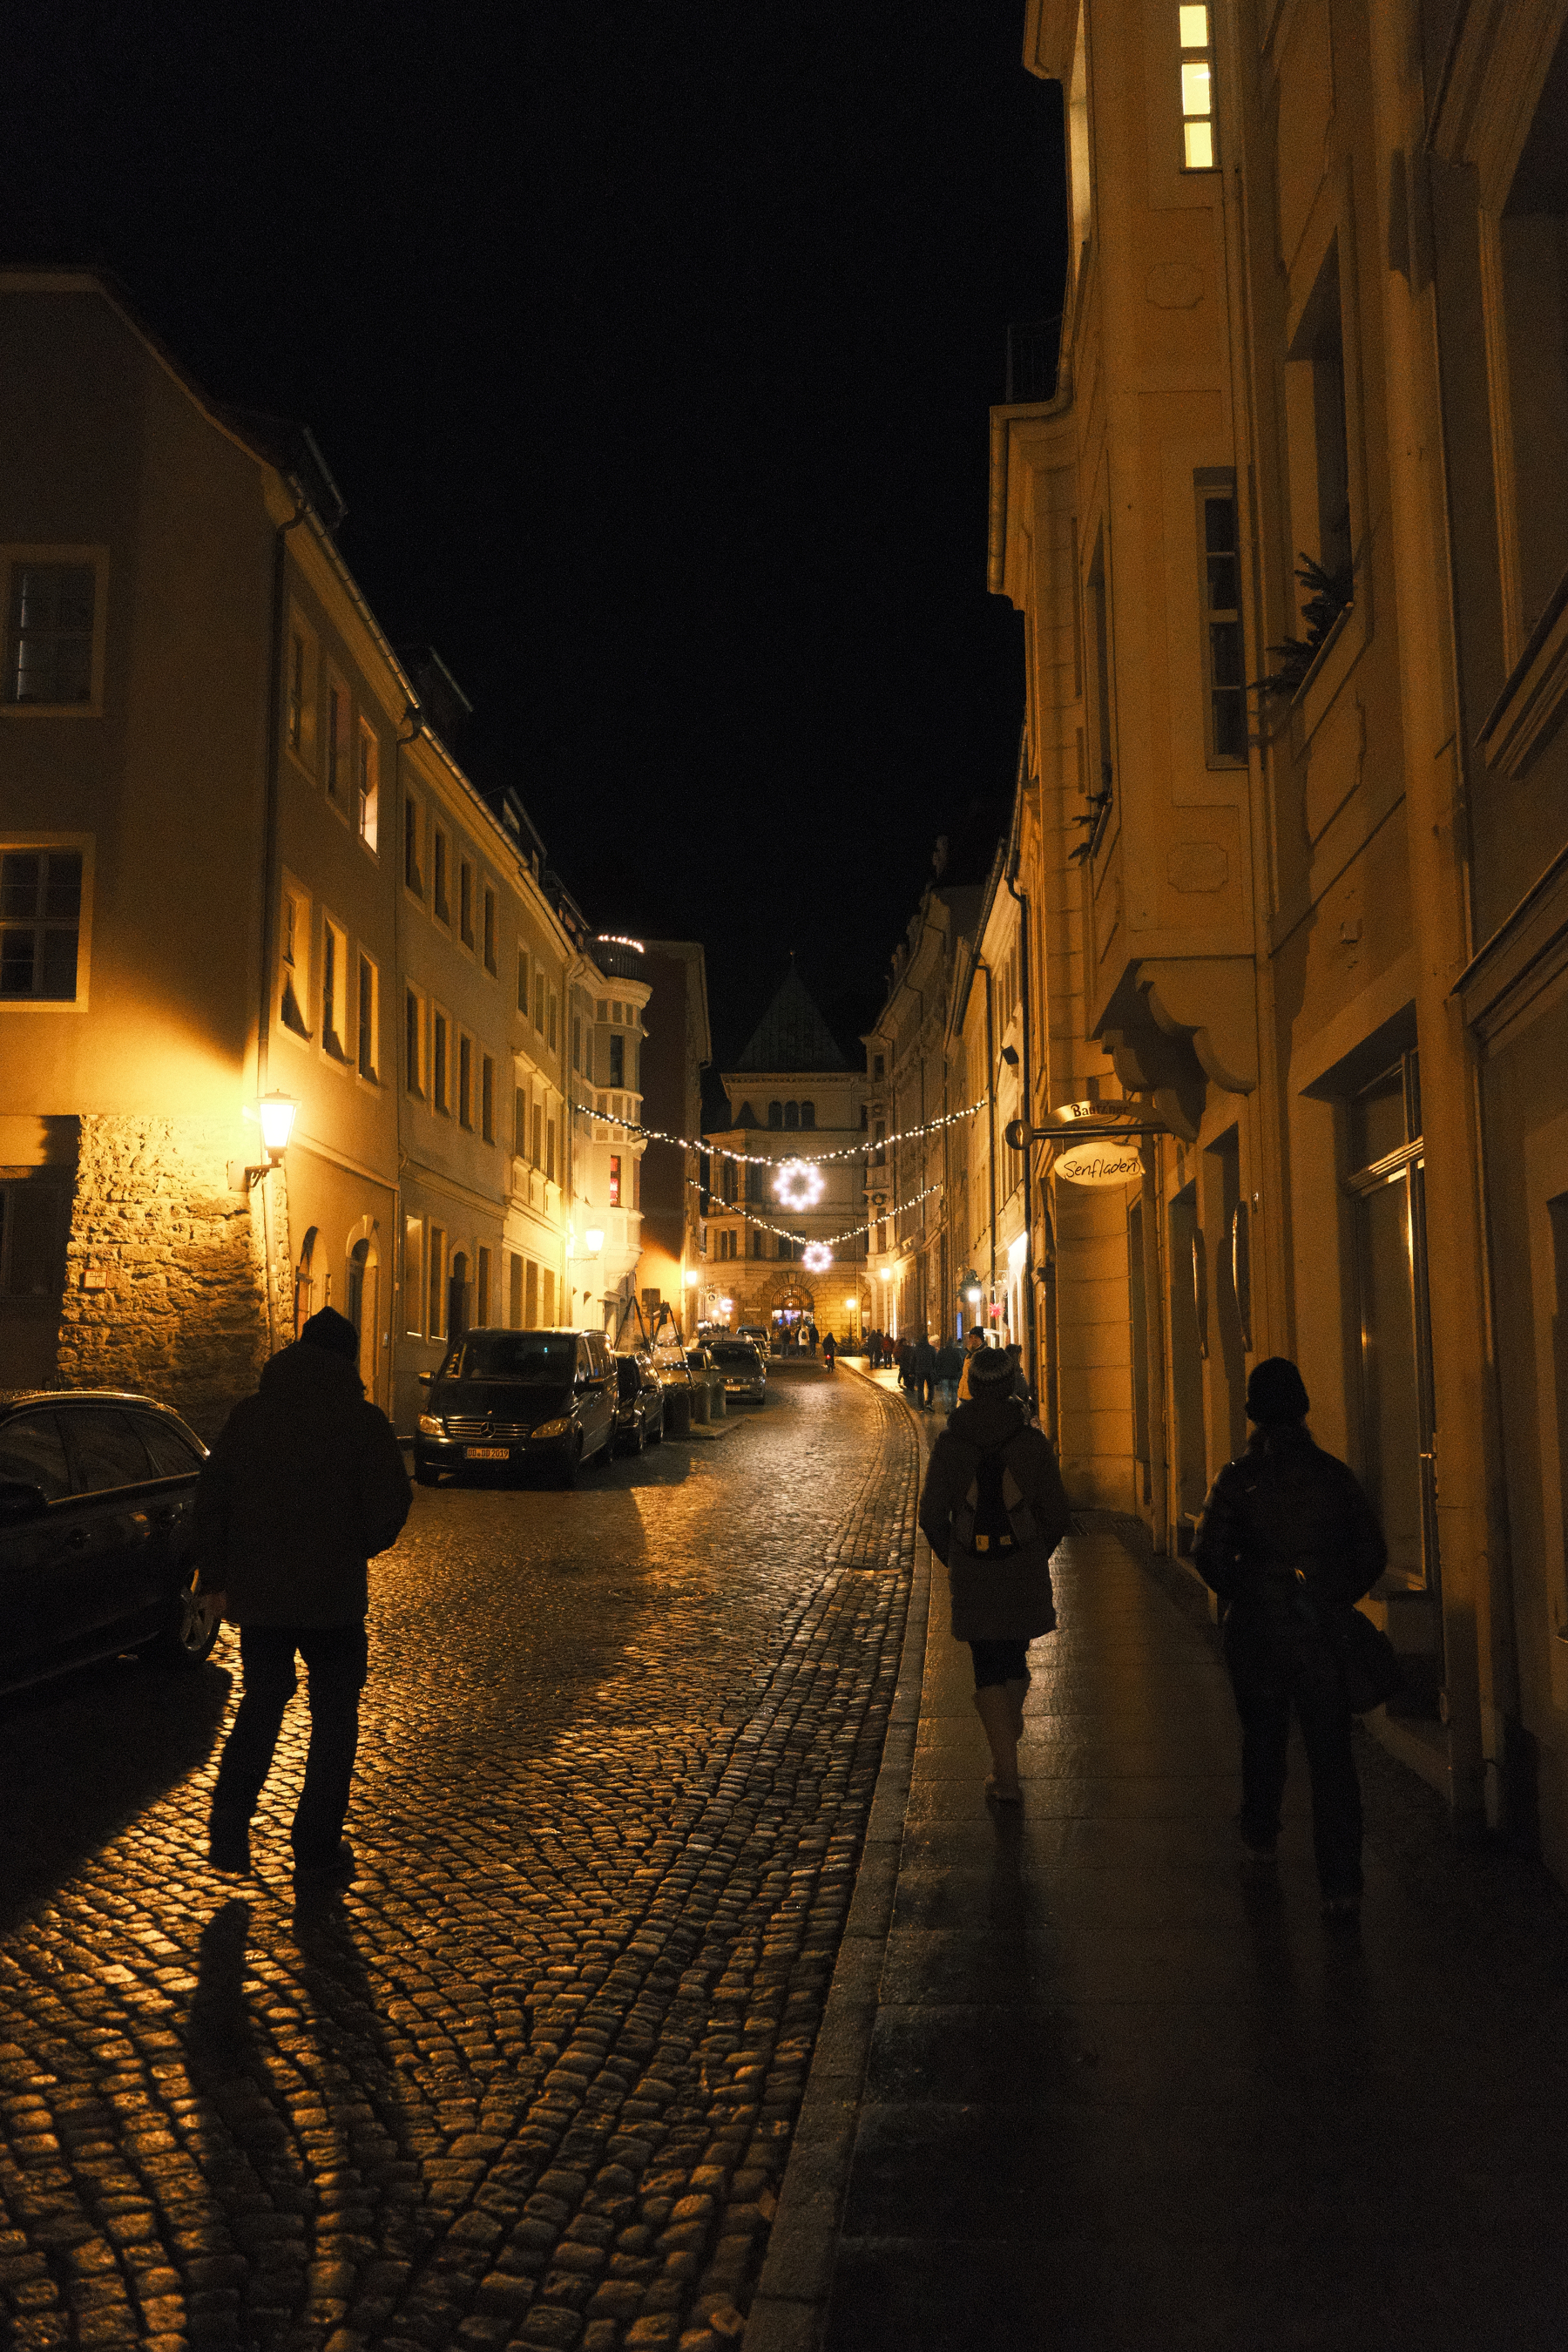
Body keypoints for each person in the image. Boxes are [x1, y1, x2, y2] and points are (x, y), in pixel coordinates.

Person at [197, 1305, 412, 1887]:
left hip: (261, 1596)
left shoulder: (251, 1416)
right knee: (335, 1720)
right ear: (348, 1357)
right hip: (333, 1600)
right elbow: (391, 1503)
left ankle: (229, 1823)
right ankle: (315, 1844)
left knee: (262, 1703)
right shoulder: (362, 1421)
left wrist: (217, 1575)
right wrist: (354, 1546)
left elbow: (211, 1500)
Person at [1192, 1355, 1387, 1918]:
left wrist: (1246, 1589)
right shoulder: (1332, 1476)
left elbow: (1207, 1551)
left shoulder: (1238, 1479)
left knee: (1263, 1741)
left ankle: (1261, 1837)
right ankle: (1342, 1883)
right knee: (1331, 1757)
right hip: (1319, 1633)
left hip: (1257, 1635)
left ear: (1255, 1414)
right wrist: (1330, 1594)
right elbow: (1371, 1551)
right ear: (1302, 1410)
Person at [918, 1343, 1072, 1801]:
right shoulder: (1030, 1443)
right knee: (1015, 1657)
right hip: (1022, 1562)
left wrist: (957, 1557)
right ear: (1010, 1386)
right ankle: (1009, 1740)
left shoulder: (951, 1443)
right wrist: (1033, 1553)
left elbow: (931, 1516)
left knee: (986, 1664)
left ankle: (1006, 1776)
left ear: (971, 1386)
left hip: (972, 1564)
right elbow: (1058, 1513)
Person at [956, 1327, 987, 1402]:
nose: (974, 1340)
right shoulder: (969, 1354)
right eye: (971, 1337)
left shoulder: (984, 1354)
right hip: (964, 1396)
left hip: (974, 1397)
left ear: (981, 1338)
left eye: (976, 1337)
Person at [935, 1335, 963, 1412]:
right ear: (953, 1344)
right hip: (954, 1375)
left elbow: (937, 1363)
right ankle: (953, 1407)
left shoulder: (942, 1352)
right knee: (954, 1392)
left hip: (944, 1375)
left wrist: (939, 1372)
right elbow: (960, 1364)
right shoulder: (956, 1352)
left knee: (945, 1392)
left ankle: (947, 1408)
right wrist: (958, 1371)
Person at [911, 1331, 937, 1409]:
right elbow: (935, 1360)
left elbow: (913, 1361)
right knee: (931, 1387)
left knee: (920, 1389)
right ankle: (929, 1402)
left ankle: (921, 1405)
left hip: (919, 1371)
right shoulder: (931, 1349)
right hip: (929, 1370)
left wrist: (911, 1371)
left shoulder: (916, 1349)